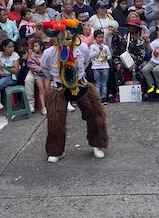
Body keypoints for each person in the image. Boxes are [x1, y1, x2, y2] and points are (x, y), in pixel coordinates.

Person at [41, 19, 108, 162]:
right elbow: (46, 70)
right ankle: (56, 150)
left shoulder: (82, 48)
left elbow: (86, 62)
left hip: (80, 85)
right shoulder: (49, 52)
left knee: (95, 113)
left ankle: (97, 144)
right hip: (58, 87)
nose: (66, 39)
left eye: (69, 36)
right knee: (55, 119)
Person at [0, 39, 20, 111]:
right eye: (9, 47)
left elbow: (15, 70)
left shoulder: (15, 55)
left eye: (12, 47)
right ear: (4, 47)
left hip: (11, 76)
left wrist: (3, 66)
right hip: (0, 75)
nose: (11, 49)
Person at [27, 38, 49, 115]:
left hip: (46, 74)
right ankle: (43, 107)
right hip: (38, 75)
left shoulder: (46, 54)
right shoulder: (32, 57)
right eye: (34, 46)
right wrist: (44, 69)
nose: (34, 48)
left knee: (47, 89)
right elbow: (33, 66)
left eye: (36, 46)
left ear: (41, 47)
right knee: (41, 90)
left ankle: (48, 105)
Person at [89, 30, 112, 103]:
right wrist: (98, 50)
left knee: (104, 83)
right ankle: (98, 97)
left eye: (102, 37)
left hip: (105, 66)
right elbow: (91, 56)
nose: (101, 39)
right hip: (96, 67)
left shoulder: (106, 47)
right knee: (98, 83)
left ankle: (104, 96)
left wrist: (106, 57)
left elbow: (109, 56)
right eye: (99, 37)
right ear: (95, 38)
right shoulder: (92, 47)